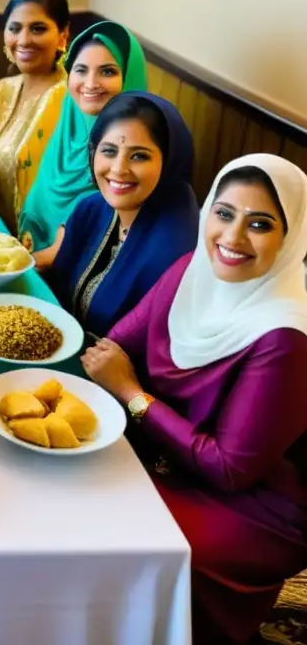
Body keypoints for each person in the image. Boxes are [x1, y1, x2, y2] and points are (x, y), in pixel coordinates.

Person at [81, 154, 307, 645]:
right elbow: (115, 346)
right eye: (224, 214)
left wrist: (133, 396)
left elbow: (231, 468)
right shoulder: (192, 269)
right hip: (165, 452)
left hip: (245, 507)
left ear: (291, 239)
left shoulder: (284, 336)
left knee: (119, 538)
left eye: (260, 224)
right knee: (71, 491)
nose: (232, 238)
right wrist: (129, 388)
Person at [50, 92, 199, 338]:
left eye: (139, 156)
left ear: (170, 161)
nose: (119, 169)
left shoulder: (177, 250)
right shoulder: (92, 209)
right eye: (109, 151)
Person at [17, 20, 148, 269]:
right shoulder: (67, 132)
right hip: (30, 268)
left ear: (130, 79)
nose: (90, 83)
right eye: (80, 70)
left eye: (107, 71)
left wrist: (4, 266)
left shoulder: (133, 157)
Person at [0, 0, 70, 233]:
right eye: (14, 29)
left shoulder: (71, 98)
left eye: (38, 29)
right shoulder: (4, 89)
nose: (24, 40)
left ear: (62, 36)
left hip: (41, 249)